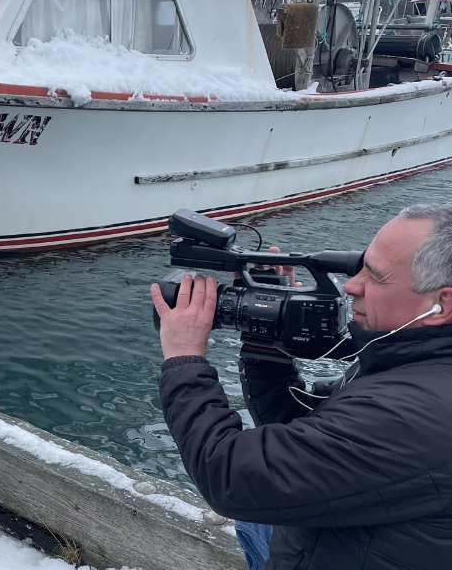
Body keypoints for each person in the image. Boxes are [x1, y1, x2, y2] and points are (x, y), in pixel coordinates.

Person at [150, 204, 452, 570]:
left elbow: (228, 476)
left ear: (441, 303)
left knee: (249, 513)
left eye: (375, 277)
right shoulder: (412, 361)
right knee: (254, 519)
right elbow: (307, 441)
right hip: (332, 539)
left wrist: (183, 358)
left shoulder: (413, 413)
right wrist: (267, 343)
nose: (351, 286)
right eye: (359, 267)